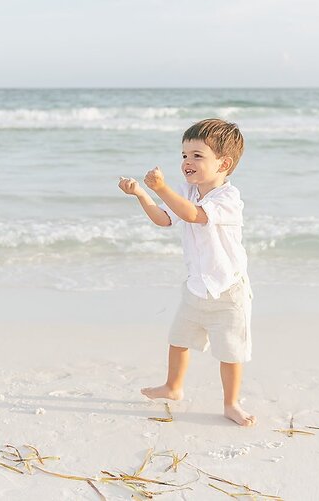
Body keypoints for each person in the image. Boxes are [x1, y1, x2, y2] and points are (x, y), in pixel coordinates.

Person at [118, 118, 255, 426]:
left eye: (197, 156)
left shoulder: (228, 198)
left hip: (227, 290)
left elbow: (193, 216)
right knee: (178, 339)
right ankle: (173, 386)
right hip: (196, 286)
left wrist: (162, 187)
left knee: (230, 352)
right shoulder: (186, 191)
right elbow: (165, 220)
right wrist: (142, 194)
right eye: (184, 155)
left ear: (224, 163)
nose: (187, 162)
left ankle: (231, 403)